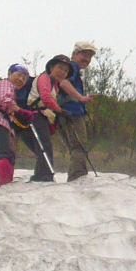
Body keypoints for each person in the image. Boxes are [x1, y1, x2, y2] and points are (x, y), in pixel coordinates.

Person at [0, 64, 37, 187]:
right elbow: (4, 99)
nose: (21, 79)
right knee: (5, 155)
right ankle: (4, 186)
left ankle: (6, 183)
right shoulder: (5, 83)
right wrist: (20, 111)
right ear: (9, 74)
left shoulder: (11, 90)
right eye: (18, 75)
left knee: (8, 156)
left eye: (24, 78)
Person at [22, 55, 74, 182]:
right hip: (36, 116)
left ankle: (43, 176)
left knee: (44, 148)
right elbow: (45, 97)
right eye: (60, 68)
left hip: (42, 117)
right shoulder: (44, 78)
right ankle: (43, 177)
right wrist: (60, 111)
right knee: (44, 148)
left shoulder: (54, 85)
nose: (62, 72)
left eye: (65, 71)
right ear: (51, 67)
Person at [56, 41, 97, 181]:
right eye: (84, 54)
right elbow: (63, 82)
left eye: (90, 56)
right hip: (70, 114)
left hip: (66, 113)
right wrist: (81, 97)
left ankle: (76, 176)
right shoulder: (71, 67)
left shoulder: (74, 70)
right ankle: (78, 178)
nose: (87, 59)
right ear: (74, 54)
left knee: (76, 147)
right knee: (79, 146)